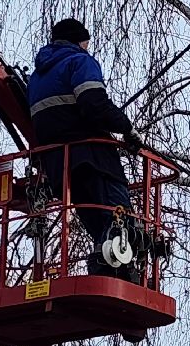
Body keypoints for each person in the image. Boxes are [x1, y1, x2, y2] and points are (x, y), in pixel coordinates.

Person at [26, 18, 143, 275]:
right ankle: (116, 272)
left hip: (61, 168)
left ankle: (108, 269)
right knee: (121, 223)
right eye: (87, 42)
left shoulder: (36, 78)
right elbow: (94, 104)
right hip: (92, 158)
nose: (88, 47)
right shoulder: (79, 62)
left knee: (100, 226)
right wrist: (127, 128)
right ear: (80, 40)